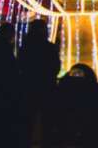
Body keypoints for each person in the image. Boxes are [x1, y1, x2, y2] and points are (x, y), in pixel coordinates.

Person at [17, 19, 60, 147]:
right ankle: (47, 141)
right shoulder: (49, 47)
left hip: (28, 85)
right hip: (47, 86)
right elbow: (56, 67)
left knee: (28, 117)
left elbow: (20, 65)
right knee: (48, 117)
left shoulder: (24, 47)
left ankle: (27, 141)